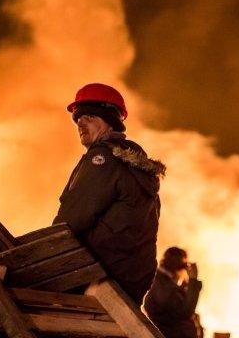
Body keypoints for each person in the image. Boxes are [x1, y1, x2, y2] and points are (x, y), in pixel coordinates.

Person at [53, 83, 165, 305]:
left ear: (110, 120)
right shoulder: (137, 167)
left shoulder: (103, 159)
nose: (80, 124)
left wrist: (44, 252)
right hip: (131, 280)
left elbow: (70, 220)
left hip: (98, 275)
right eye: (77, 119)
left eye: (90, 117)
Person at [145, 247, 203, 338]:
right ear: (179, 267)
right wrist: (193, 281)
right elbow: (184, 312)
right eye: (185, 266)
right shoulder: (161, 285)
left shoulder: (162, 283)